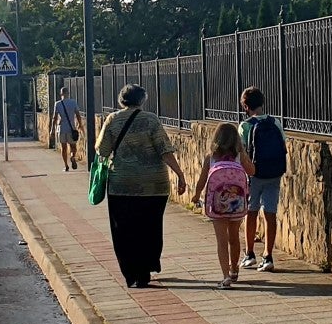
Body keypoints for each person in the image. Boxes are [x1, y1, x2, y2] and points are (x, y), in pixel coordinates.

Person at [96, 84, 187, 288]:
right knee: (150, 228)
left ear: (122, 100)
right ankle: (145, 270)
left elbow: (101, 150)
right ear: (142, 100)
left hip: (122, 185)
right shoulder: (151, 120)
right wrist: (180, 174)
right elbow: (165, 150)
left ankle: (130, 273)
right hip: (153, 186)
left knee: (124, 230)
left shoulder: (112, 119)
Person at [191, 123, 255, 289]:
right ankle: (234, 269)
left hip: (217, 205)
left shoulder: (210, 157)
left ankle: (225, 276)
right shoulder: (239, 156)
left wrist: (196, 195)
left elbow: (202, 180)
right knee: (234, 238)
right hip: (237, 204)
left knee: (221, 240)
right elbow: (252, 171)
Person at [237, 87, 287, 273]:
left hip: (254, 174)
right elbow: (283, 145)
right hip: (274, 173)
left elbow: (241, 152)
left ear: (245, 106)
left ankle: (250, 254)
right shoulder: (276, 122)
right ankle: (268, 256)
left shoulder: (245, 125)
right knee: (270, 213)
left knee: (251, 212)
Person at [51, 87, 80, 171]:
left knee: (63, 148)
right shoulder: (73, 102)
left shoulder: (58, 104)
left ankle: (66, 166)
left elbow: (54, 118)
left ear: (61, 94)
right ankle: (72, 156)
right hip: (71, 128)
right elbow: (78, 114)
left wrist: (52, 129)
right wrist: (80, 125)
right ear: (68, 93)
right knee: (73, 146)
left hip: (62, 129)